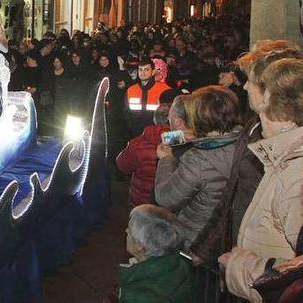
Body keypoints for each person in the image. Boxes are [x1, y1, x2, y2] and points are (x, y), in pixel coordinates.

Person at [190, 42, 302, 269]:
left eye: (250, 81)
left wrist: (247, 270)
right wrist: (206, 248)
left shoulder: (294, 165)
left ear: (269, 90)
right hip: (238, 256)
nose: (245, 87)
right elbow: (231, 197)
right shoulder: (251, 130)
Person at [220, 58, 303, 302]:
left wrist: (240, 266)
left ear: (270, 100)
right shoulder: (281, 158)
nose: (244, 87)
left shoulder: (296, 176)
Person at [154, 86, 241, 247]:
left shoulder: (199, 159)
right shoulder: (241, 138)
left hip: (196, 239)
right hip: (224, 234)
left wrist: (166, 159)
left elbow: (165, 197)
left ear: (200, 116)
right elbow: (205, 140)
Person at [114, 204, 193, 302]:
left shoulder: (137, 296)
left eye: (129, 231)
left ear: (140, 246)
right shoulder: (181, 264)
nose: (126, 230)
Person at [116, 104, 171, 207]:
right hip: (170, 205)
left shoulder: (137, 143)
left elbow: (122, 166)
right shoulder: (182, 144)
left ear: (154, 119)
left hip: (141, 204)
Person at [126, 58, 172, 138]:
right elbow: (126, 113)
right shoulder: (131, 90)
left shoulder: (165, 90)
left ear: (153, 72)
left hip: (158, 136)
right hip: (136, 135)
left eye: (146, 69)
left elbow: (171, 115)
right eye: (140, 69)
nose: (142, 73)